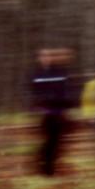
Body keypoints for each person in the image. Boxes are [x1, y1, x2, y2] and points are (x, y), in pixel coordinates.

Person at [30, 48, 75, 176]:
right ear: (39, 58)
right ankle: (46, 167)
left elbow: (66, 91)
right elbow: (34, 93)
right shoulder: (36, 74)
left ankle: (48, 164)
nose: (47, 58)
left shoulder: (60, 72)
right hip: (45, 114)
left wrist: (67, 107)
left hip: (59, 113)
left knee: (57, 141)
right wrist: (36, 108)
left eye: (49, 56)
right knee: (49, 140)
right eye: (43, 56)